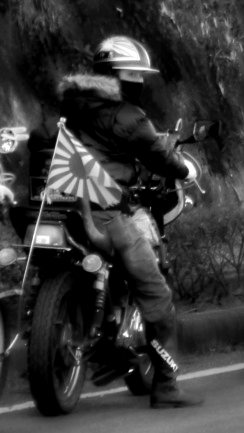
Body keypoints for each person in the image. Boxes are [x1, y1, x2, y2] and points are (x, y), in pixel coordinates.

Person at [57, 36, 202, 408]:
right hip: (107, 210)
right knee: (157, 296)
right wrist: (184, 168)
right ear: (114, 77)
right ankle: (166, 385)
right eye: (132, 74)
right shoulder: (127, 115)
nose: (138, 80)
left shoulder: (68, 105)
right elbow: (158, 155)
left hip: (63, 206)